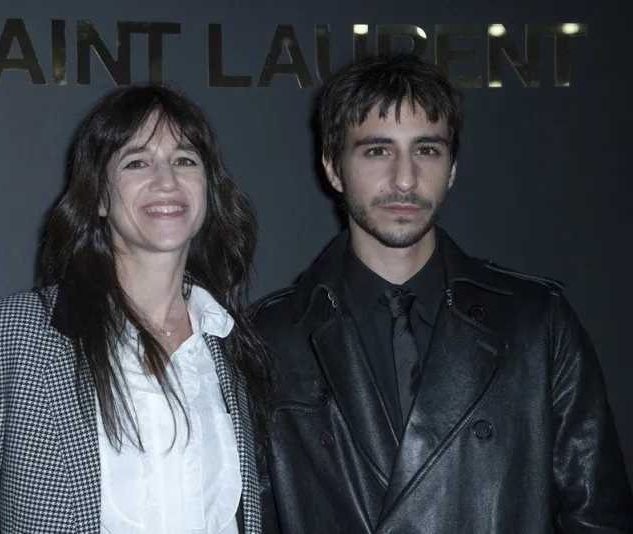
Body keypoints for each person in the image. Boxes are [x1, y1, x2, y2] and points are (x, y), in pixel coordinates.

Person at [251, 53, 633, 533]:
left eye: (427, 150)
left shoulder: (537, 324)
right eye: (377, 150)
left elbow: (598, 516)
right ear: (332, 167)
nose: (405, 179)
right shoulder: (271, 338)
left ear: (452, 167)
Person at [0, 85, 271, 533]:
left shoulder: (233, 345)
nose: (167, 180)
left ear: (208, 190)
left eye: (185, 160)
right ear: (100, 198)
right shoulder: (10, 337)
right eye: (137, 162)